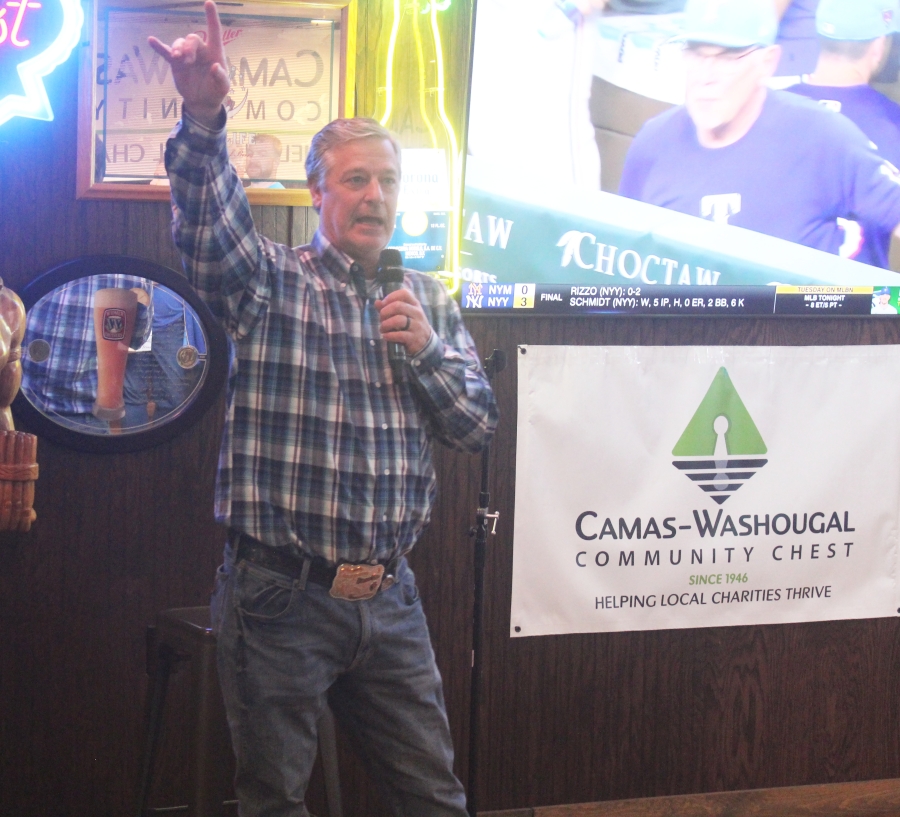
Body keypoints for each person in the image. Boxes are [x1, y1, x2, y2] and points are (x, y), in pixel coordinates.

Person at [147, 3, 499, 815]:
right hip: (281, 599)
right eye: (355, 179)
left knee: (434, 798)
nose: (375, 197)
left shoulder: (430, 302)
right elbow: (207, 229)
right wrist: (204, 117)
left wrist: (426, 353)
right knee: (273, 800)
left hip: (391, 599)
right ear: (316, 192)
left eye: (387, 181)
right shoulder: (270, 281)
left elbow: (476, 424)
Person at [618, 0, 900, 269]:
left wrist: (889, 304)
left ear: (768, 62)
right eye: (695, 52)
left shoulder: (822, 136)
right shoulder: (653, 143)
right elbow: (625, 259)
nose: (706, 76)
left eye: (728, 57)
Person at [787, 0, 900, 268]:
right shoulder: (893, 123)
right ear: (878, 46)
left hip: (767, 292)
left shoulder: (767, 106)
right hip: (859, 301)